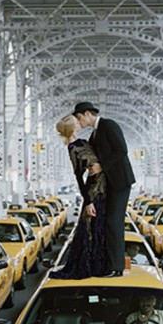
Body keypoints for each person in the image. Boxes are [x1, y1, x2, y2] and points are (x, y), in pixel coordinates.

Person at [73, 101, 136, 277]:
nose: (80, 122)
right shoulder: (95, 134)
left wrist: (101, 166)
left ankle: (117, 267)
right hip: (109, 183)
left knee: (113, 222)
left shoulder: (108, 125)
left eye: (79, 118)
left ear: (87, 113)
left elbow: (121, 150)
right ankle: (108, 263)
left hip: (120, 181)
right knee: (105, 222)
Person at [50, 114, 108, 279]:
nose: (79, 122)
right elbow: (78, 176)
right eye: (76, 121)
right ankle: (91, 266)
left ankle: (97, 265)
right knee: (92, 228)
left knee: (96, 227)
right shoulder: (73, 147)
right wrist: (88, 202)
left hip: (100, 184)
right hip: (95, 189)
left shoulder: (80, 142)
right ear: (72, 127)